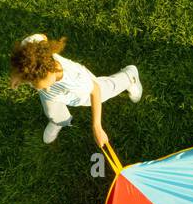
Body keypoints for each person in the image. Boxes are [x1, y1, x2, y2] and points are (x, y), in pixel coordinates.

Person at [9, 33, 141, 145]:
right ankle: (59, 121)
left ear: (51, 70)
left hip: (82, 94)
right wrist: (19, 76)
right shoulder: (30, 49)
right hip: (54, 95)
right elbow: (41, 37)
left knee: (106, 89)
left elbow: (95, 91)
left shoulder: (75, 79)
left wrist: (97, 127)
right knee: (52, 111)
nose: (42, 88)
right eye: (31, 82)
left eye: (41, 85)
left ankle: (129, 76)